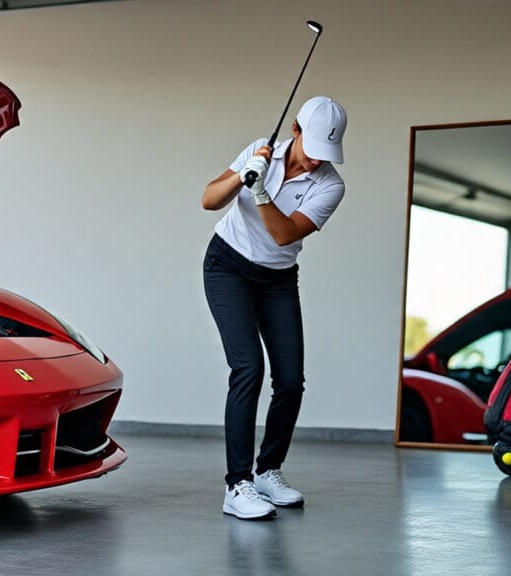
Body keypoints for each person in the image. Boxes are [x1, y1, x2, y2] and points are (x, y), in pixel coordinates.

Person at [201, 96, 347, 520]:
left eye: (328, 153)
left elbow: (284, 235)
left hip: (277, 279)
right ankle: (238, 485)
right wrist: (242, 178)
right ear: (296, 131)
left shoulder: (331, 186)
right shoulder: (260, 150)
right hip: (226, 266)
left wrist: (261, 191)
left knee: (290, 379)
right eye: (313, 148)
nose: (319, 160)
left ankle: (268, 471)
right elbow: (209, 200)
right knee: (248, 367)